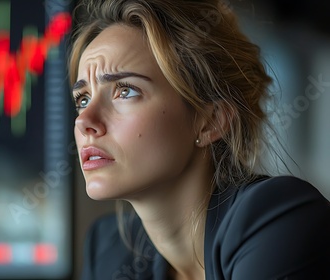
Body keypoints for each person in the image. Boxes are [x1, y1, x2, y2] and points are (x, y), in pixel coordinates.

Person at [67, 0, 330, 279]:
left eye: (125, 91)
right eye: (82, 99)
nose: (85, 122)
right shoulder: (109, 249)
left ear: (211, 121)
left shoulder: (278, 222)